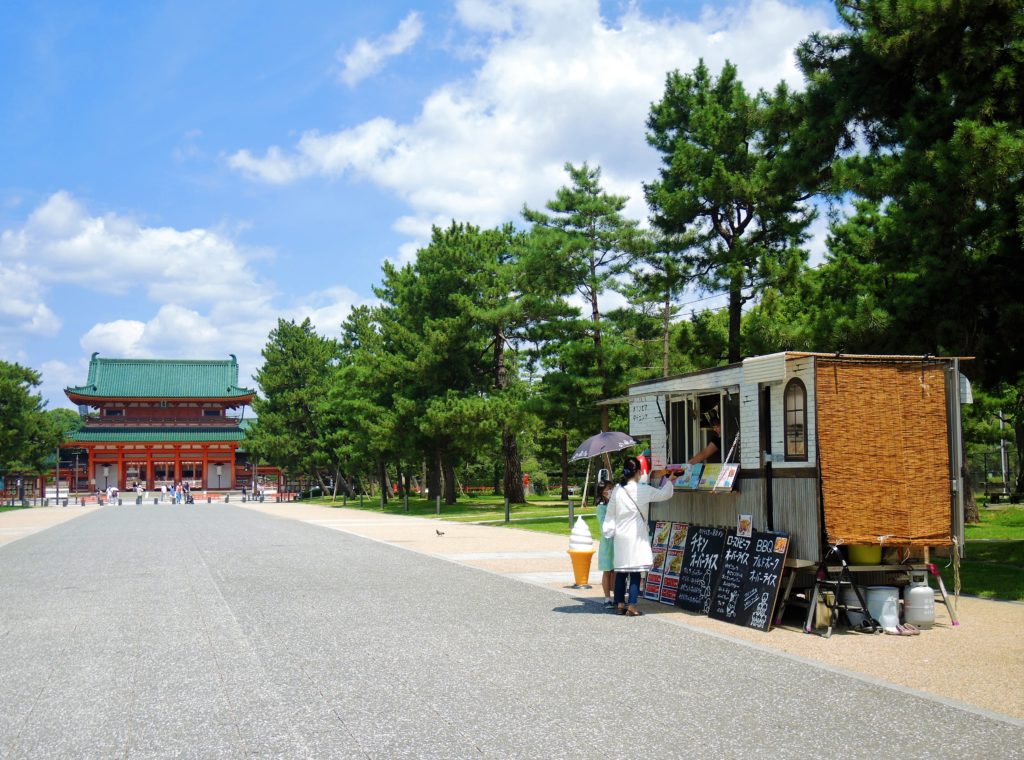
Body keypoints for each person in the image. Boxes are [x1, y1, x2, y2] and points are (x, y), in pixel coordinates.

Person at [602, 456, 678, 616]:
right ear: (638, 472)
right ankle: (632, 606)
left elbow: (610, 514)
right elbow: (664, 495)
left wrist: (608, 529)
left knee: (621, 572)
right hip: (636, 536)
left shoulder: (617, 490)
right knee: (636, 572)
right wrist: (670, 479)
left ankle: (620, 604)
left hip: (621, 536)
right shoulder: (643, 489)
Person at [594, 480, 616, 608]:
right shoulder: (601, 507)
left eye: (612, 488)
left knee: (616, 571)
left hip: (618, 542)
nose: (611, 490)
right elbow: (604, 526)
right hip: (607, 543)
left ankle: (617, 596)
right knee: (607, 570)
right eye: (609, 488)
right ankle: (607, 597)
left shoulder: (615, 504)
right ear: (603, 491)